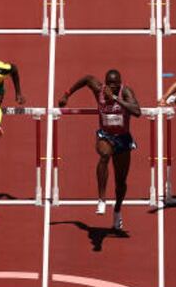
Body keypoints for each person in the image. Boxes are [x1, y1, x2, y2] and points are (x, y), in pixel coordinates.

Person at [59, 69, 141, 229]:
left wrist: (116, 98)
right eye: (110, 85)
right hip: (106, 135)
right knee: (104, 155)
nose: (113, 87)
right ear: (105, 84)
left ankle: (117, 210)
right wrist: (67, 94)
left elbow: (137, 111)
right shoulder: (99, 89)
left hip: (123, 139)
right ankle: (102, 199)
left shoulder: (126, 92)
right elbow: (86, 78)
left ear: (120, 83)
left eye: (116, 85)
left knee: (121, 183)